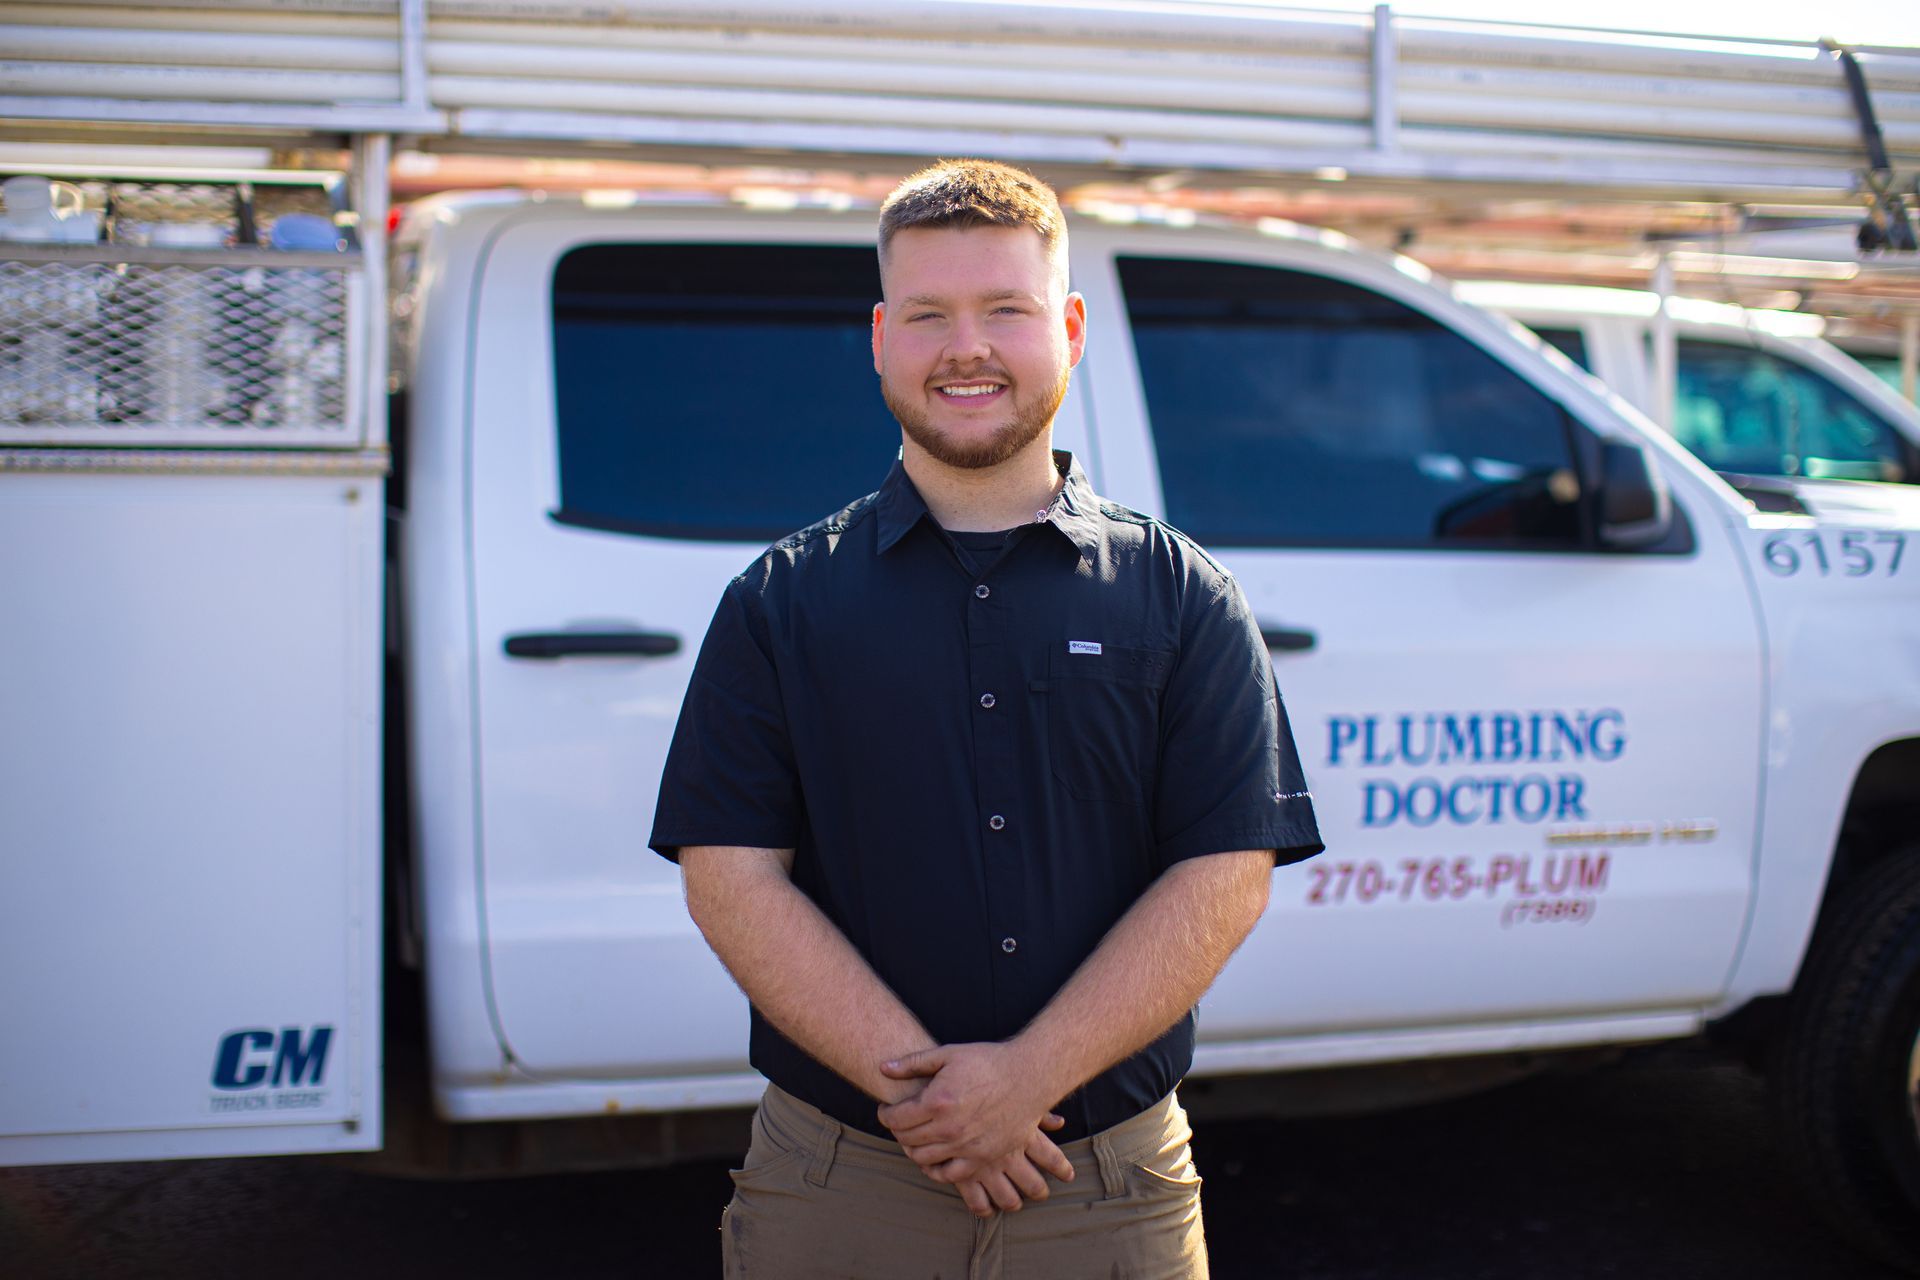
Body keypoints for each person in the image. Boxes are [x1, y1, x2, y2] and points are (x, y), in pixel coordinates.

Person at [649, 158, 1323, 1279]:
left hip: (1108, 1184)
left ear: (1066, 327)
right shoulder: (779, 602)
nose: (968, 347)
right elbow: (730, 875)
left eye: (1005, 310)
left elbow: (1224, 873)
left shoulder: (1183, 594)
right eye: (929, 315)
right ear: (880, 339)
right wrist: (936, 1096)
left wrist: (1024, 1079)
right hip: (838, 1181)